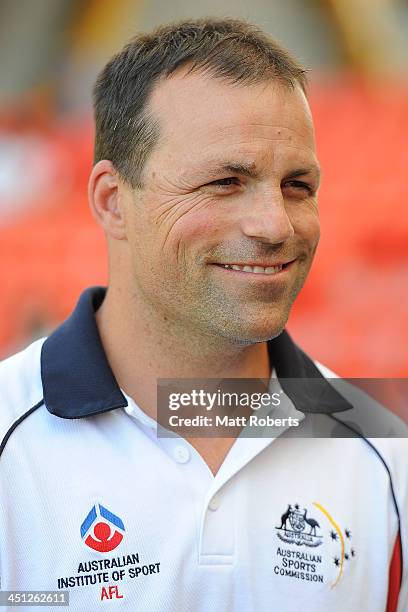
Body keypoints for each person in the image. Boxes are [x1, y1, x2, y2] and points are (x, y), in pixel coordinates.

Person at [0, 18, 406, 612]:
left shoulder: (384, 457)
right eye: (224, 181)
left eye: (298, 185)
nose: (275, 225)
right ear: (114, 202)